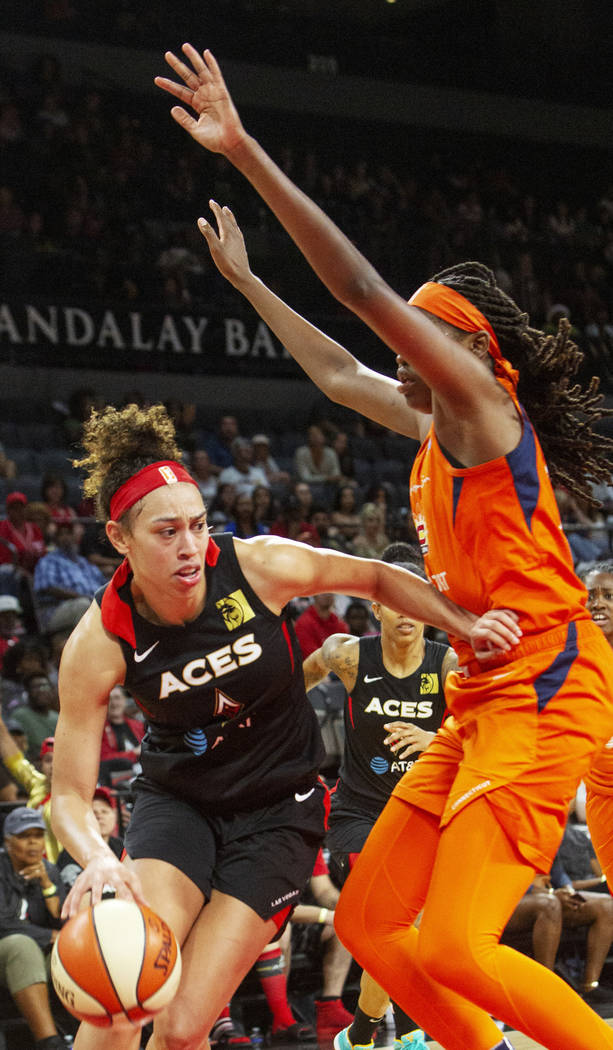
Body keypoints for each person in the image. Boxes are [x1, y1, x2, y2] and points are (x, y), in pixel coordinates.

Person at [155, 45, 613, 1050]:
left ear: (453, 357)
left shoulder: (482, 416)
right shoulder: (427, 431)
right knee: (368, 923)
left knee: (453, 944)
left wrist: (244, 151)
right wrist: (246, 283)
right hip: (484, 698)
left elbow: (360, 291)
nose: (393, 362)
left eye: (412, 344)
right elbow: (334, 368)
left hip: (548, 689)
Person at [49, 402, 516, 1050]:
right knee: (121, 986)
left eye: (197, 524)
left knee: (183, 1028)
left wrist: (466, 625)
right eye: (165, 533)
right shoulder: (98, 641)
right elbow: (67, 795)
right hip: (179, 802)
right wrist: (98, 860)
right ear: (119, 539)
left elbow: (377, 577)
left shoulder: (256, 567)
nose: (190, 547)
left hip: (279, 812)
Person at [302, 560, 455, 1050]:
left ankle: (365, 1032)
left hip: (421, 816)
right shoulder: (347, 657)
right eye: (396, 600)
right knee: (396, 922)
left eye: (417, 600)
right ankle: (409, 1028)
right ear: (376, 608)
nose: (407, 611)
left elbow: (485, 735)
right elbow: (288, 687)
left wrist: (436, 739)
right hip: (359, 817)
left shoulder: (447, 666)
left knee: (405, 931)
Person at [0, 807, 67, 1050]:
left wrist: (48, 886)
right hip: (8, 952)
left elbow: (64, 923)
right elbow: (3, 923)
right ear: (8, 842)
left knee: (73, 953)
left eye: (38, 835)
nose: (32, 842)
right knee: (21, 945)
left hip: (37, 954)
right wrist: (49, 935)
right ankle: (49, 1042)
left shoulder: (49, 871)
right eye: (24, 835)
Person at [0, 717, 60, 861]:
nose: (53, 766)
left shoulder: (79, 793)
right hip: (31, 864)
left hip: (62, 871)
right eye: (48, 760)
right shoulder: (38, 784)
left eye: (59, 759)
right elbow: (15, 760)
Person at [294, 593, 348, 660]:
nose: (327, 595)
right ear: (314, 595)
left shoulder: (339, 624)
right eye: (323, 592)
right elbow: (312, 657)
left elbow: (346, 653)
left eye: (330, 592)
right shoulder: (303, 623)